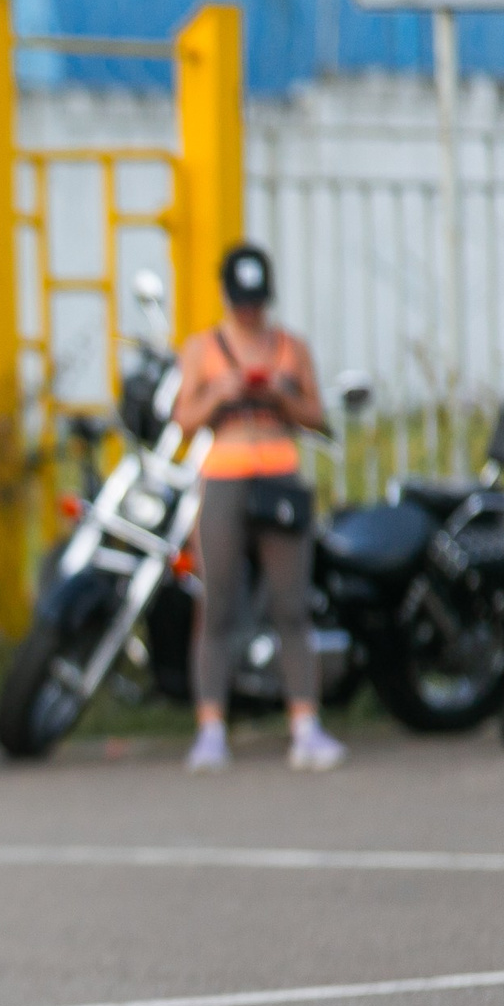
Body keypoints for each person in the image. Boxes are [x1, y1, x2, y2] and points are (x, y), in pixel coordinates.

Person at [169, 242, 345, 773]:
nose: (250, 312)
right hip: (224, 479)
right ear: (227, 296)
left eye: (257, 302)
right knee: (218, 603)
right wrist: (220, 393)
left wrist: (280, 396)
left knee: (291, 605)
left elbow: (317, 416)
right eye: (241, 301)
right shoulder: (202, 349)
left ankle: (305, 725)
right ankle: (210, 728)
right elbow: (183, 421)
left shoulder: (291, 347)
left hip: (279, 479)